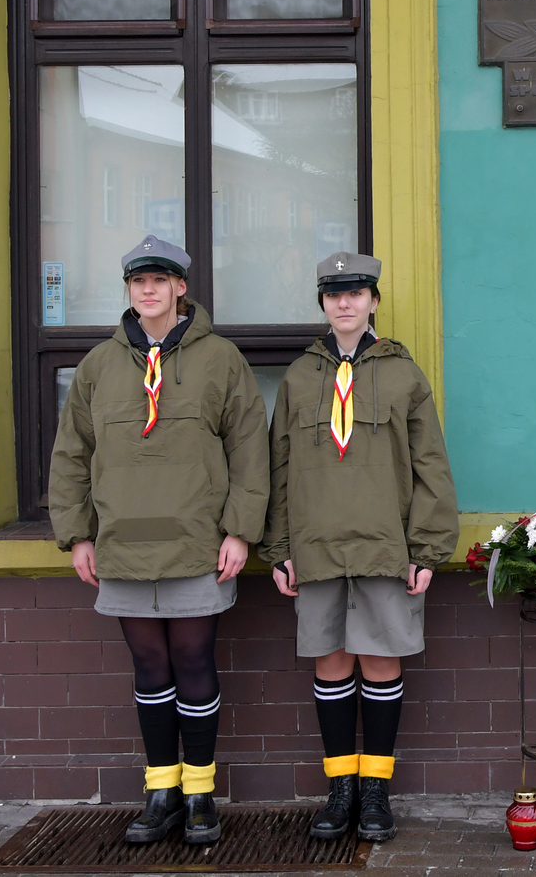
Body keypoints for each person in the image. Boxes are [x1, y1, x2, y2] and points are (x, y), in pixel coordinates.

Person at [50, 235, 269, 845]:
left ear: (181, 288)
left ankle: (200, 795)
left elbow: (250, 451)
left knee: (195, 664)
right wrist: (77, 536)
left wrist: (240, 531)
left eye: (159, 279)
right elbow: (71, 456)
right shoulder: (98, 365)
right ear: (128, 290)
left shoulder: (220, 359)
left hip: (198, 542)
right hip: (122, 544)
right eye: (137, 281)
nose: (147, 290)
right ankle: (162, 792)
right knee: (150, 671)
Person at [261, 252, 460, 843]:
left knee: (379, 662)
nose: (344, 303)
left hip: (385, 547)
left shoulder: (403, 375)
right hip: (317, 549)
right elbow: (279, 467)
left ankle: (376, 790)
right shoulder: (300, 377)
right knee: (330, 663)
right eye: (333, 293)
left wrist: (427, 548)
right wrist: (280, 547)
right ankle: (339, 789)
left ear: (374, 300)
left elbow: (432, 468)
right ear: (322, 303)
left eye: (356, 292)